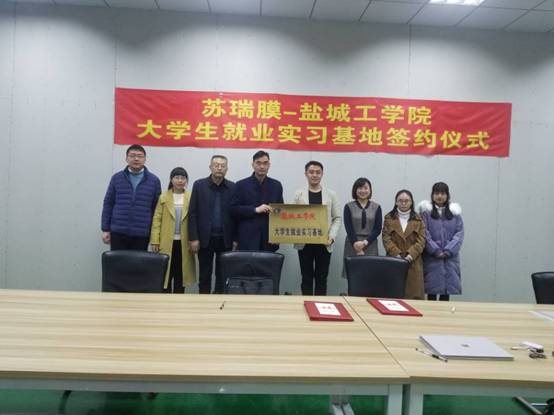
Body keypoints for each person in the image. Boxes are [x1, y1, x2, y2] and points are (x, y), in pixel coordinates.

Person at [188, 155, 237, 294]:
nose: (219, 168)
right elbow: (192, 213)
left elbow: (236, 215)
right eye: (216, 165)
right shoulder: (199, 185)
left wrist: (235, 239)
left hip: (225, 239)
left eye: (222, 165)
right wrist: (193, 238)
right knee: (204, 275)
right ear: (210, 167)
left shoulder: (233, 187)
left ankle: (219, 301)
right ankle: (204, 302)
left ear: (227, 169)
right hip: (204, 239)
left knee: (222, 275)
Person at [293, 161, 342, 296]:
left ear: (322, 174)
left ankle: (320, 305)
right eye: (311, 172)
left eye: (317, 172)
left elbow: (337, 218)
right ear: (306, 174)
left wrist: (331, 237)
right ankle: (306, 303)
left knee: (322, 278)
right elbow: (292, 216)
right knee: (306, 278)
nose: (314, 175)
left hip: (324, 242)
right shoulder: (298, 194)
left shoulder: (331, 194)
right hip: (304, 243)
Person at [101, 144, 161, 250]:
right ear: (126, 158)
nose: (136, 159)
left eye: (140, 156)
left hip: (142, 233)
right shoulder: (117, 178)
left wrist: (155, 235)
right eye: (132, 155)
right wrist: (105, 229)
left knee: (139, 261)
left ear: (145, 159)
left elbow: (157, 210)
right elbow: (108, 203)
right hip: (118, 232)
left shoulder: (154, 180)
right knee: (118, 261)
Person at [150, 167, 196, 293]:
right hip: (166, 241)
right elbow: (157, 220)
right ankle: (165, 300)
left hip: (184, 242)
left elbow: (196, 219)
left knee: (181, 273)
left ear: (186, 180)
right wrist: (155, 240)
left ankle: (179, 299)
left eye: (183, 178)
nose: (180, 181)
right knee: (166, 274)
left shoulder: (191, 196)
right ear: (171, 180)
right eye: (177, 178)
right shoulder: (164, 197)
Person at [417, 182, 464, 301]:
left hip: (450, 259)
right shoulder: (425, 214)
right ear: (432, 195)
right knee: (431, 291)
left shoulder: (455, 214)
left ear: (447, 195)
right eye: (437, 193)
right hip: (432, 258)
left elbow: (459, 234)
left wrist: (448, 250)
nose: (439, 196)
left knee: (446, 292)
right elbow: (424, 233)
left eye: (443, 193)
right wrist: (435, 250)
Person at [230, 151, 283, 252]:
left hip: (269, 239)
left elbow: (279, 212)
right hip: (247, 238)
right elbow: (233, 210)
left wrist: (277, 236)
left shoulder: (276, 185)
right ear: (253, 165)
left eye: (265, 163)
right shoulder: (241, 185)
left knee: (268, 262)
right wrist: (254, 210)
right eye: (258, 163)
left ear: (269, 165)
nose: (262, 166)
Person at [382, 190, 426, 300]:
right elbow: (386, 238)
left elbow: (422, 240)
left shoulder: (418, 219)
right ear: (396, 202)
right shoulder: (388, 218)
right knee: (393, 297)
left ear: (411, 202)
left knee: (413, 297)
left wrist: (410, 256)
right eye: (400, 201)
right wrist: (396, 254)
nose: (403, 203)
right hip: (393, 261)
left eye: (406, 201)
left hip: (413, 262)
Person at [343, 177, 382, 264]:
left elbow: (377, 228)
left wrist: (365, 243)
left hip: (370, 243)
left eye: (365, 188)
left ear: (370, 190)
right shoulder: (348, 206)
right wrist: (355, 244)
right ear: (355, 190)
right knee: (353, 270)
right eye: (360, 188)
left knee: (370, 270)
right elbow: (349, 228)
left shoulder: (377, 207)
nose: (363, 191)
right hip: (353, 243)